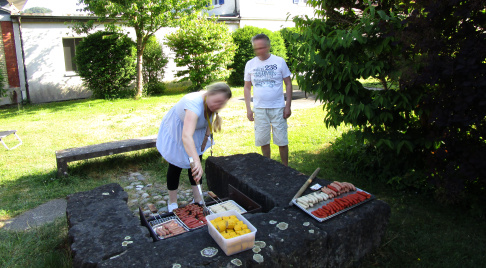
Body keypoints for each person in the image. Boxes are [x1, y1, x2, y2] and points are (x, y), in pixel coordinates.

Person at [156, 82, 232, 212]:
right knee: (176, 165)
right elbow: (186, 136)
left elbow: (210, 116)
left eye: (222, 104)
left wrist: (205, 137)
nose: (218, 106)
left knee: (196, 165)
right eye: (217, 102)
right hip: (180, 130)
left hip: (195, 132)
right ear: (209, 94)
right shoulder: (193, 103)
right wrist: (195, 159)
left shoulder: (212, 103)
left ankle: (198, 199)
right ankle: (172, 203)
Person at [244, 33, 292, 166]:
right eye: (257, 48)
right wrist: (248, 109)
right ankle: (268, 166)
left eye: (263, 47)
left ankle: (285, 167)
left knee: (281, 140)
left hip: (278, 107)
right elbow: (247, 88)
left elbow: (288, 83)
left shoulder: (279, 61)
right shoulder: (250, 64)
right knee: (263, 140)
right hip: (259, 108)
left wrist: (288, 106)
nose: (260, 51)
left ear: (269, 46)